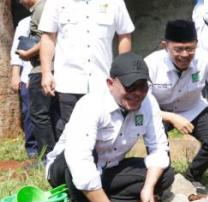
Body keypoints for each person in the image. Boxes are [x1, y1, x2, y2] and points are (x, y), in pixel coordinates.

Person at [45, 53, 174, 202]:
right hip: (66, 171)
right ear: (110, 83)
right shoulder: (90, 105)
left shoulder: (149, 104)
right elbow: (80, 162)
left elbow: (158, 149)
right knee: (84, 159)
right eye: (130, 86)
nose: (138, 93)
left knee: (165, 175)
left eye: (143, 86)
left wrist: (148, 188)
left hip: (108, 169)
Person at [145, 20, 208, 186]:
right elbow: (143, 103)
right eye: (178, 49)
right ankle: (164, 182)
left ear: (196, 45)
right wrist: (171, 117)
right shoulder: (151, 64)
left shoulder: (205, 60)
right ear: (165, 46)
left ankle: (192, 177)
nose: (185, 54)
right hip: (159, 112)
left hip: (193, 108)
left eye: (190, 48)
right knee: (158, 145)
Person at [38, 0, 135, 137]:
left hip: (102, 82)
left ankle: (100, 159)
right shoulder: (55, 2)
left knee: (103, 130)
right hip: (69, 81)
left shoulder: (115, 2)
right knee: (70, 130)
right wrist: (46, 72)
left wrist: (123, 72)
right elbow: (48, 38)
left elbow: (125, 35)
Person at [16, 0, 58, 158]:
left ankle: (47, 157)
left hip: (42, 69)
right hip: (48, 69)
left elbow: (47, 39)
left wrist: (28, 54)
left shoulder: (43, 8)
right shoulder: (44, 8)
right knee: (50, 115)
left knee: (39, 116)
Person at [10, 15, 37, 158]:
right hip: (27, 76)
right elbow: (16, 51)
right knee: (29, 113)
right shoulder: (25, 22)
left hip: (52, 76)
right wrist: (16, 75)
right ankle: (32, 148)